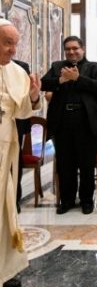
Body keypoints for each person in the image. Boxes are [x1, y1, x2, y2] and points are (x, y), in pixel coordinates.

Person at [41, 36, 97, 215]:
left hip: (86, 121)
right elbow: (43, 84)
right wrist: (60, 80)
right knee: (65, 164)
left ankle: (86, 201)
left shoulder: (95, 67)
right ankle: (67, 200)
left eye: (75, 48)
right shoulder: (57, 67)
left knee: (86, 164)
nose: (71, 52)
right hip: (62, 121)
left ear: (82, 49)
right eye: (68, 49)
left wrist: (78, 78)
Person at [0, 19, 41, 287]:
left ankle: (4, 269)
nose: (13, 50)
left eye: (15, 44)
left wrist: (34, 97)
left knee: (5, 209)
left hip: (6, 147)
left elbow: (23, 110)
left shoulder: (16, 71)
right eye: (7, 43)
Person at [13, 59, 31, 213]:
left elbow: (27, 96)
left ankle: (14, 200)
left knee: (13, 163)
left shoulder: (20, 67)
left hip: (15, 123)